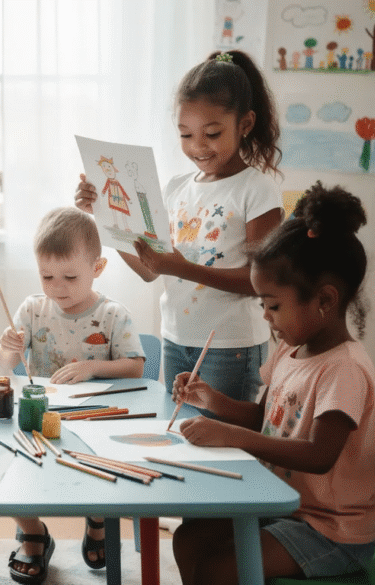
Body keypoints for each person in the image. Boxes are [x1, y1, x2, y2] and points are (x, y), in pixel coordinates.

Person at [171, 182, 375, 583]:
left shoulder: (345, 369)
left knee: (219, 569)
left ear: (324, 300)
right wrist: (212, 399)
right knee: (189, 539)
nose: (266, 317)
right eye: (261, 305)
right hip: (284, 506)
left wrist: (232, 437)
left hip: (331, 530)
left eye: (273, 305)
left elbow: (319, 455)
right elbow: (261, 417)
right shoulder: (290, 349)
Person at [75, 49, 283, 411]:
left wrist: (180, 267)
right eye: (186, 134)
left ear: (245, 124)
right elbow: (147, 268)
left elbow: (261, 281)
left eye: (212, 133)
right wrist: (101, 214)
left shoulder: (256, 189)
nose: (197, 146)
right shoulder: (175, 188)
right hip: (176, 338)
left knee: (220, 441)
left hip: (230, 346)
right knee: (182, 436)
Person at [0, 206, 145, 582]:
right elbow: (6, 363)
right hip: (40, 415)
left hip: (96, 417)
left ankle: (96, 520)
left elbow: (135, 366)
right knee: (8, 465)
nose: (57, 287)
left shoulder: (112, 314)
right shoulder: (33, 308)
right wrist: (9, 347)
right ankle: (32, 534)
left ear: (97, 268)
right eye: (47, 276)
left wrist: (92, 367)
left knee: (99, 470)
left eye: (69, 276)